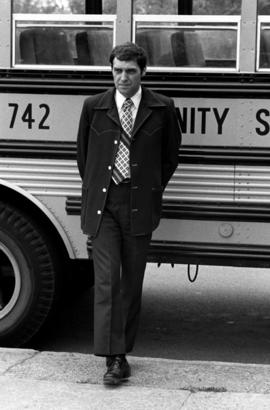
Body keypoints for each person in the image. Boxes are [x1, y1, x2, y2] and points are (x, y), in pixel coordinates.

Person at [77, 42, 181, 386]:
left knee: (131, 282)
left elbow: (169, 158)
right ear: (111, 70)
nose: (123, 77)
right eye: (118, 70)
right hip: (103, 204)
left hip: (138, 204)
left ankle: (123, 349)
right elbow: (84, 157)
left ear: (143, 72)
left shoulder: (162, 108)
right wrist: (99, 190)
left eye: (130, 71)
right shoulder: (94, 106)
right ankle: (114, 359)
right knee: (107, 280)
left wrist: (148, 190)